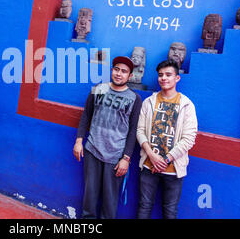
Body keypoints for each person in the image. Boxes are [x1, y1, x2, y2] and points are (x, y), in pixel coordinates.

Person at [73, 56, 142, 219]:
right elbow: (86, 116)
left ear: (130, 76)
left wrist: (126, 158)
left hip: (115, 157)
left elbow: (133, 130)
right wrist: (79, 140)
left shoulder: (135, 99)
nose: (119, 74)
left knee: (109, 203)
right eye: (116, 69)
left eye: (124, 71)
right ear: (112, 70)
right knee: (89, 198)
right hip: (92, 150)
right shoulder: (98, 89)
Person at [136, 59, 197, 219]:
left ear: (177, 78)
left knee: (170, 211)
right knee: (144, 206)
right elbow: (140, 131)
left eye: (168, 75)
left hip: (174, 169)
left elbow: (189, 139)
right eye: (161, 75)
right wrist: (152, 156)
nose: (164, 78)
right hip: (149, 166)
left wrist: (166, 159)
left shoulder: (187, 105)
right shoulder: (149, 102)